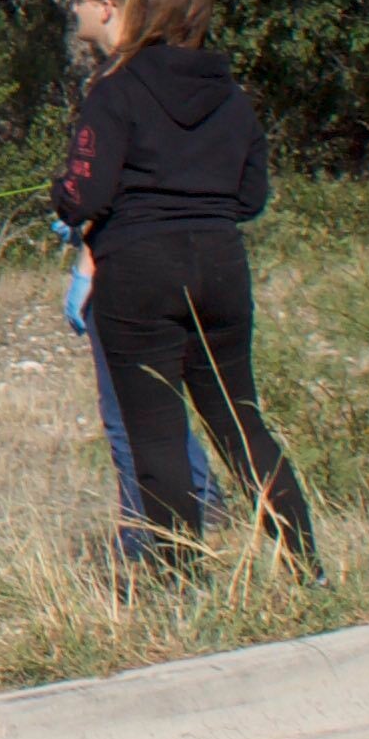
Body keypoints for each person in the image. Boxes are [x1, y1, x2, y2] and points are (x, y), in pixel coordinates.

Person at [51, 0, 318, 572]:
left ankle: (176, 581)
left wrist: (63, 196)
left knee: (156, 437)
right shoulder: (233, 97)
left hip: (140, 269)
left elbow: (82, 195)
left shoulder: (115, 90)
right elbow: (251, 198)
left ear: (141, 6)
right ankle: (308, 564)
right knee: (240, 423)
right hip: (221, 264)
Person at [64, 223, 221, 558]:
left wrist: (85, 262)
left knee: (123, 411)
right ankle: (205, 497)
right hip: (194, 263)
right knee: (163, 398)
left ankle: (140, 537)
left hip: (121, 271)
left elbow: (101, 201)